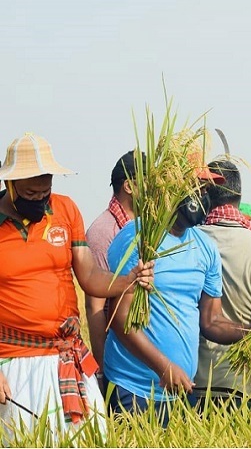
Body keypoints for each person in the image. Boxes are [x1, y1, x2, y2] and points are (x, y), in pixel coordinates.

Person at [0, 133, 153, 442]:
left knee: (86, 440)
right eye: (31, 193)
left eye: (46, 191)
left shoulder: (65, 210)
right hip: (13, 360)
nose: (40, 200)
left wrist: (128, 281)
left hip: (66, 357)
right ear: (11, 184)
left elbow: (89, 276)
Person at [105, 150, 251, 425]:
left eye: (204, 188)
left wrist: (250, 330)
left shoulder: (205, 248)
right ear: (168, 188)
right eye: (192, 186)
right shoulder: (137, 238)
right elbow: (120, 320)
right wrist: (164, 367)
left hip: (180, 391)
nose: (199, 195)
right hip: (134, 389)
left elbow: (211, 321)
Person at [194, 160, 251, 407]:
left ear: (205, 195)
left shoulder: (189, 242)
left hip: (187, 380)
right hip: (239, 383)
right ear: (239, 195)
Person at [85, 150, 144, 375]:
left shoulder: (146, 228)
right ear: (129, 186)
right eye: (148, 182)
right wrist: (103, 370)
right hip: (121, 359)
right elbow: (95, 307)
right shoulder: (103, 231)